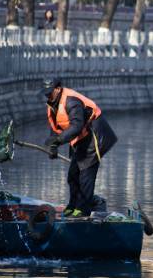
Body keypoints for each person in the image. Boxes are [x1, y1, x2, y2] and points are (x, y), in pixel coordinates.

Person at [41, 78, 117, 217]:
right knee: (73, 175)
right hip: (79, 139)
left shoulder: (71, 101)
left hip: (94, 136)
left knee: (85, 175)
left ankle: (82, 211)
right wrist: (52, 145)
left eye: (49, 93)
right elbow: (56, 128)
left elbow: (76, 126)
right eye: (46, 93)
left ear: (58, 89)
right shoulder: (52, 105)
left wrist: (57, 141)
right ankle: (73, 205)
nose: (48, 96)